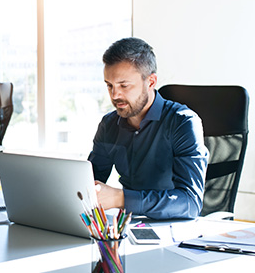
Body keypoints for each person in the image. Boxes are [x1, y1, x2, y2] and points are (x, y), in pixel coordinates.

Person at [88, 37, 209, 220]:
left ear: (151, 82)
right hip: (127, 225)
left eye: (124, 85)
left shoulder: (183, 122)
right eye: (109, 85)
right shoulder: (108, 125)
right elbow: (89, 182)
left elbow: (190, 203)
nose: (115, 95)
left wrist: (121, 198)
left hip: (174, 228)